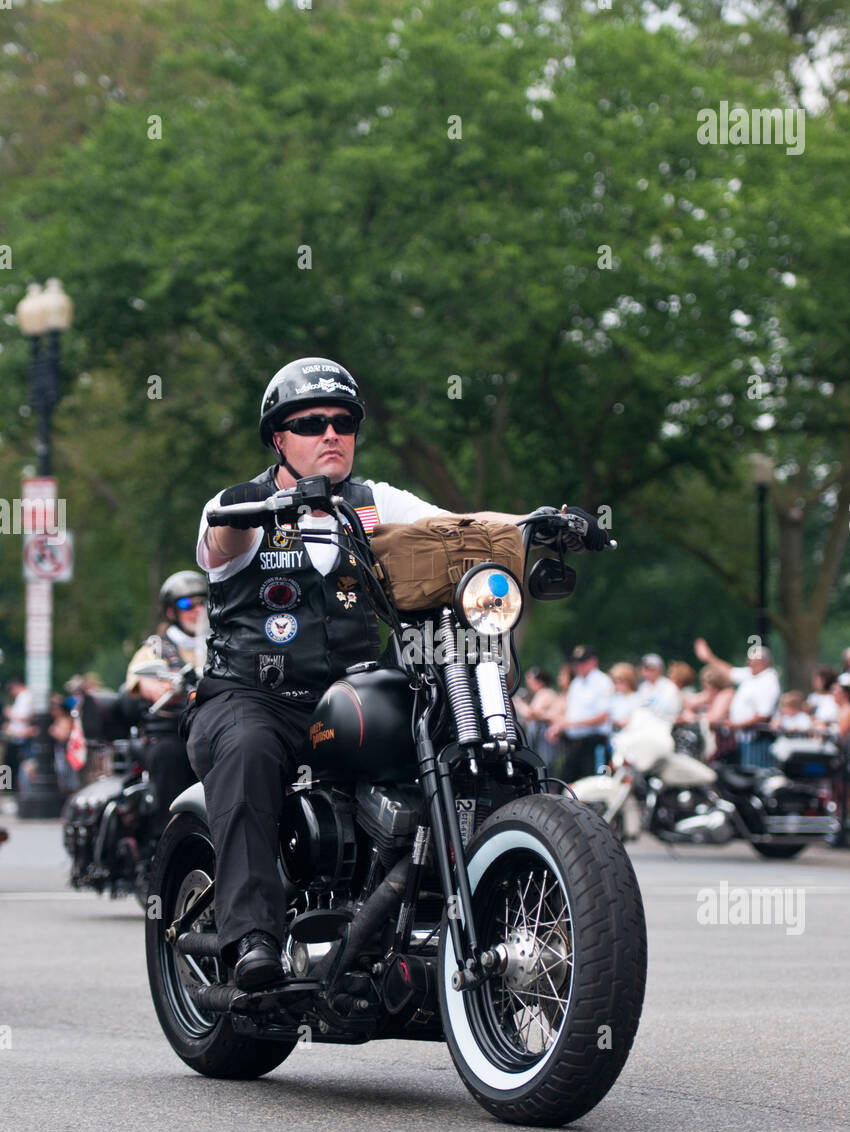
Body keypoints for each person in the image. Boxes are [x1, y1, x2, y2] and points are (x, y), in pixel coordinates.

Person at [187, 356, 605, 988]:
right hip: (253, 697)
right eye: (311, 423)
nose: (331, 433)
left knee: (449, 732)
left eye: (343, 422)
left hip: (352, 697)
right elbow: (220, 540)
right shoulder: (239, 506)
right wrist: (266, 511)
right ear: (279, 437)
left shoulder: (376, 503)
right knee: (246, 751)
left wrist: (533, 525)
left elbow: (455, 527)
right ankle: (251, 939)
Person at [125, 571, 207, 835]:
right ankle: (164, 839)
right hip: (171, 733)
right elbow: (139, 679)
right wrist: (160, 687)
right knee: (169, 756)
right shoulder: (156, 648)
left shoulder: (222, 643)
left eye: (202, 602)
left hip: (212, 729)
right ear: (172, 612)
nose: (197, 610)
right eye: (186, 604)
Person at [545, 645, 613, 781]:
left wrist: (571, 724)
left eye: (582, 662)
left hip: (593, 743)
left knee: (592, 786)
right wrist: (559, 727)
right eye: (576, 663)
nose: (578, 666)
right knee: (564, 785)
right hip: (574, 744)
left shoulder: (603, 682)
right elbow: (572, 713)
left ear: (594, 661)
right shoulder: (576, 683)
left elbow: (603, 717)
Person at [636, 654, 682, 722]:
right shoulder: (643, 687)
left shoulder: (669, 686)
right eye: (644, 668)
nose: (646, 671)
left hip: (662, 724)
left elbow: (671, 711)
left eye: (650, 668)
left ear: (659, 669)